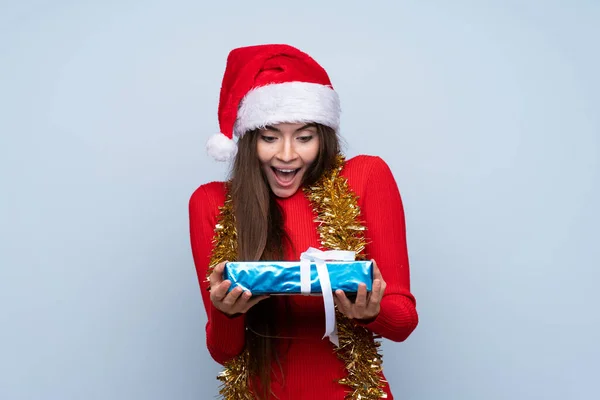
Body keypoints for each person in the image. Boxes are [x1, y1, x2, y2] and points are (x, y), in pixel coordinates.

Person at [188, 44, 418, 400]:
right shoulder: (211, 202)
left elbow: (403, 321)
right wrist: (225, 313)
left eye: (304, 137)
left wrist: (371, 312)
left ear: (322, 137)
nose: (287, 154)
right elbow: (224, 352)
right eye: (269, 137)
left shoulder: (366, 177)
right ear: (249, 141)